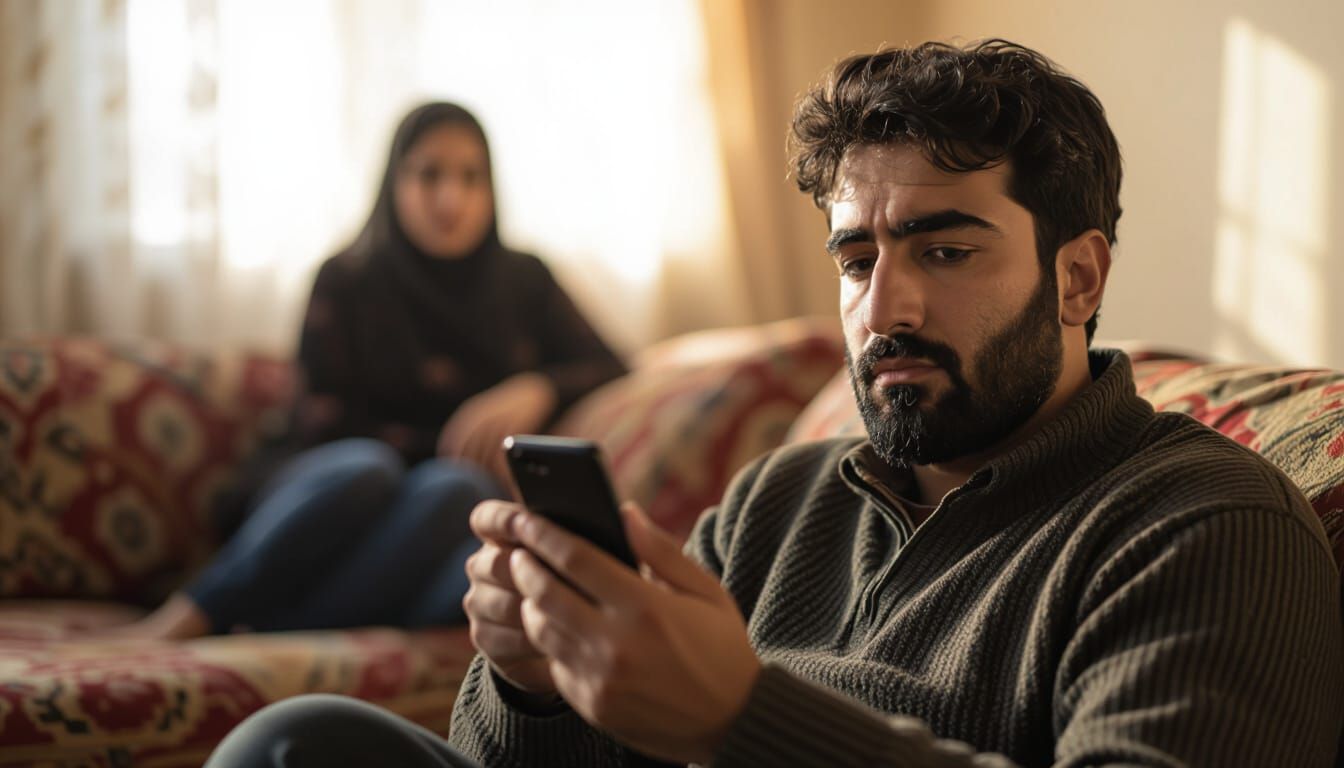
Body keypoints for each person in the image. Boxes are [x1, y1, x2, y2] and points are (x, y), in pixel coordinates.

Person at [203, 41, 1343, 767]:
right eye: (857, 259)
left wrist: (739, 719)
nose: (883, 305)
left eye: (945, 251)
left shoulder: (1203, 527)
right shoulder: (779, 502)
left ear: (1078, 277)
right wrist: (534, 682)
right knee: (299, 743)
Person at [107, 102, 626, 640]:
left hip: (423, 532)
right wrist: (447, 442)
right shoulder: (347, 279)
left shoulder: (524, 280)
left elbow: (612, 365)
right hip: (330, 500)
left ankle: (276, 628)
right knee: (371, 468)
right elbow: (322, 426)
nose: (452, 198)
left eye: (472, 177)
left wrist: (534, 388)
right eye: (430, 174)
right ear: (393, 182)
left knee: (469, 514)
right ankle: (190, 613)